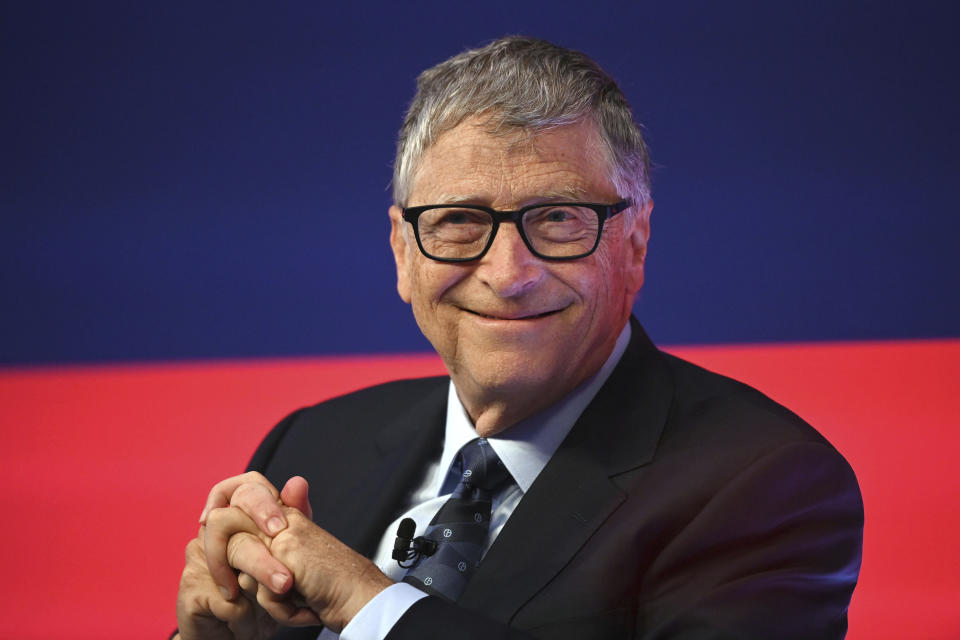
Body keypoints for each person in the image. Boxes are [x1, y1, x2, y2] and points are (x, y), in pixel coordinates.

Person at [174, 36, 863, 639]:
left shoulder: (763, 482)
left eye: (559, 218)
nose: (508, 276)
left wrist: (368, 603)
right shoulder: (313, 443)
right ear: (402, 252)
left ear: (636, 241)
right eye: (459, 221)